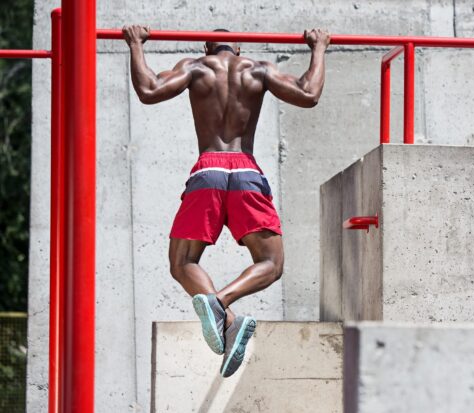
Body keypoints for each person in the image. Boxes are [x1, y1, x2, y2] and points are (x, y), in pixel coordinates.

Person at [122, 25, 330, 377]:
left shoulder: (195, 67)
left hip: (208, 173)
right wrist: (320, 47)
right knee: (271, 264)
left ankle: (219, 306)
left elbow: (148, 89)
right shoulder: (258, 69)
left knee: (182, 262)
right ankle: (226, 313)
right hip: (247, 174)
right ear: (239, 47)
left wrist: (136, 44)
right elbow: (308, 94)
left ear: (206, 45)